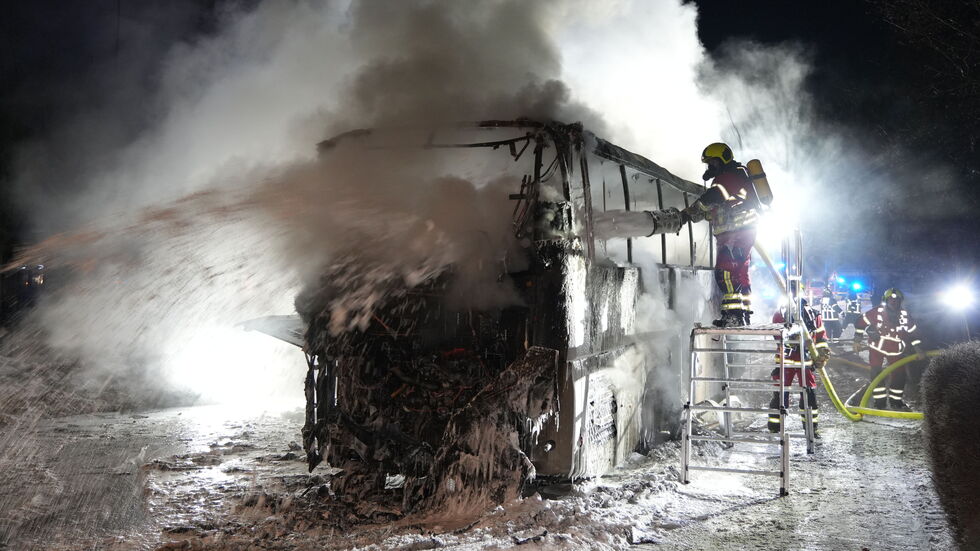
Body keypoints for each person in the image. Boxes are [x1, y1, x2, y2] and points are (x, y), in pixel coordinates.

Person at [681, 143, 760, 327]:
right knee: (740, 274)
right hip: (739, 235)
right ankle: (744, 313)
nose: (710, 166)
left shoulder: (729, 177)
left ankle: (733, 316)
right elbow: (720, 207)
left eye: (713, 162)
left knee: (724, 272)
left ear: (723, 159)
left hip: (736, 236)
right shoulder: (735, 176)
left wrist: (687, 213)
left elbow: (712, 197)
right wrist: (708, 214)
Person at [853, 287, 925, 410]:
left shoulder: (905, 316)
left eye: (896, 299)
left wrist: (918, 349)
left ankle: (895, 401)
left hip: (896, 350)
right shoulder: (876, 312)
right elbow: (860, 322)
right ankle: (879, 402)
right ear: (885, 300)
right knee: (876, 374)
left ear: (900, 301)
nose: (894, 301)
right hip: (877, 348)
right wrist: (858, 340)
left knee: (899, 375)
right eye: (891, 299)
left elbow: (913, 334)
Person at [768, 298, 830, 436]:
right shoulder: (781, 313)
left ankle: (811, 428)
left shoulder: (813, 315)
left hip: (805, 362)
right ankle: (775, 426)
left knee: (809, 395)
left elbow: (820, 337)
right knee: (780, 395)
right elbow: (777, 335)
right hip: (786, 361)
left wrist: (822, 352)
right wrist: (792, 339)